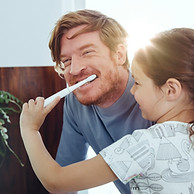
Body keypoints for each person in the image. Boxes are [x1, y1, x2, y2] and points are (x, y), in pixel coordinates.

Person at [20, 27, 194, 194]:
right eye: (66, 61)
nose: (133, 91)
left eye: (138, 83)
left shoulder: (145, 144)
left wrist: (30, 129)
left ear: (171, 90)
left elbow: (55, 181)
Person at [48, 9, 152, 194]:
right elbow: (66, 178)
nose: (74, 70)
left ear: (119, 54)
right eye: (66, 61)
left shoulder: (157, 94)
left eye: (87, 52)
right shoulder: (75, 103)